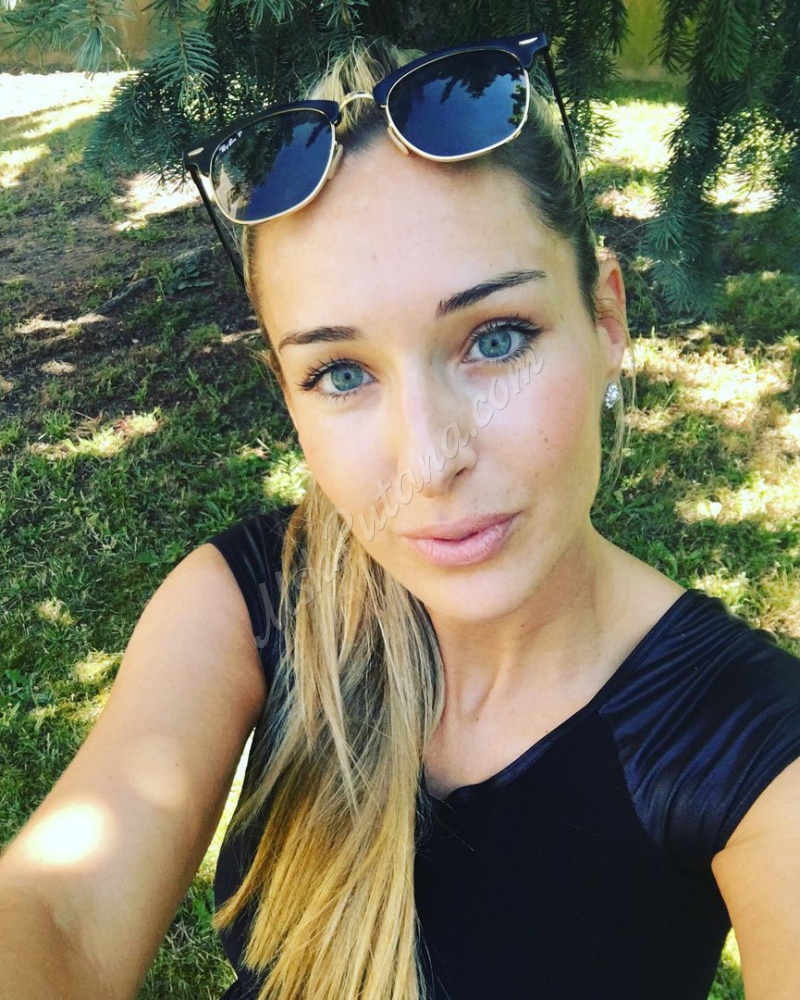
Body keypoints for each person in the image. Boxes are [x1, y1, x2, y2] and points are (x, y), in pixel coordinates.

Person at [2, 32, 800, 1000]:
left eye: (494, 339)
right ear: (288, 393)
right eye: (340, 373)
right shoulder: (249, 602)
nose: (428, 462)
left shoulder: (754, 747)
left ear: (605, 320)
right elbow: (62, 916)